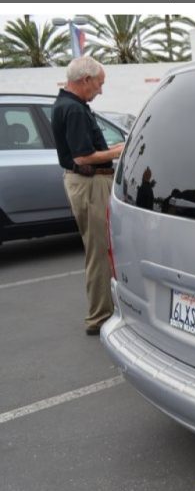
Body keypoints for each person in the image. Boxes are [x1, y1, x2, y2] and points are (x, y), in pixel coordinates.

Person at [51, 56, 125, 335]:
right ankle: (100, 317)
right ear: (85, 80)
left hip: (86, 183)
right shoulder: (74, 110)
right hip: (90, 184)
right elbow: (83, 157)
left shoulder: (67, 105)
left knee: (100, 249)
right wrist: (117, 151)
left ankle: (104, 311)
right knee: (99, 252)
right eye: (99, 84)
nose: (100, 90)